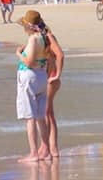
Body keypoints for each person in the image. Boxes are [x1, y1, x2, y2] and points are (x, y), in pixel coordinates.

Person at [15, 12, 53, 163]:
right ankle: (46, 151)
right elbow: (49, 60)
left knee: (30, 117)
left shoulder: (33, 39)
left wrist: (18, 54)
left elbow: (29, 61)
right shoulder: (44, 38)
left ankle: (33, 153)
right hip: (41, 76)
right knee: (40, 117)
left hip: (29, 76)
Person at [32, 13, 66, 162]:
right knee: (48, 113)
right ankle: (50, 147)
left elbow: (60, 55)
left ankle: (49, 148)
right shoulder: (44, 38)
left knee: (46, 113)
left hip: (51, 78)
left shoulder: (49, 37)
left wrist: (57, 74)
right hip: (49, 77)